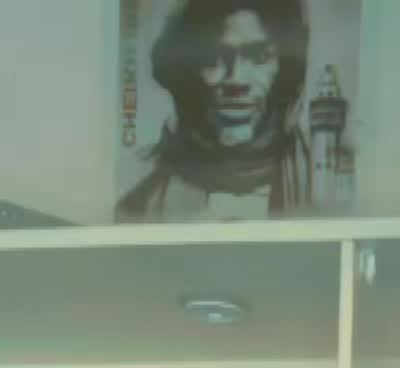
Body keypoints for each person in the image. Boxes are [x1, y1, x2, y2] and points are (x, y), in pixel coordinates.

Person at [117, 0, 311, 221]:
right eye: (212, 58)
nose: (236, 80)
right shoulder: (136, 192)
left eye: (259, 57)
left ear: (285, 72)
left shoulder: (325, 178)